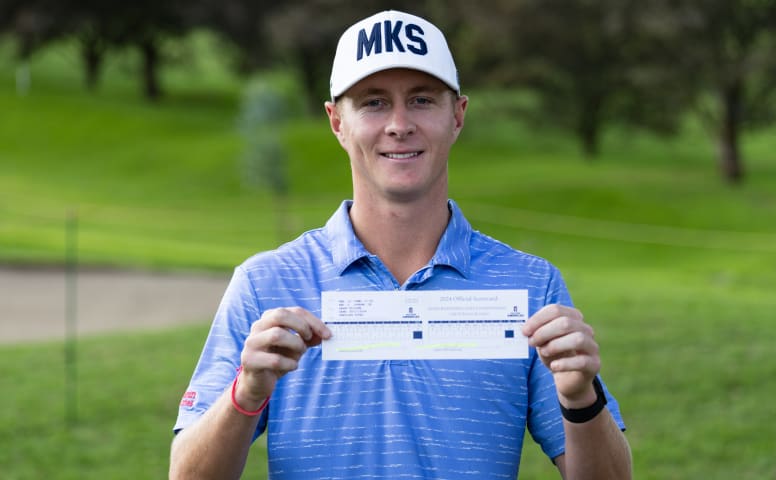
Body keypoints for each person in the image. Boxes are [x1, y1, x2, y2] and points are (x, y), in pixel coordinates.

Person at [169, 9, 632, 480]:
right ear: (336, 122)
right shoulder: (266, 284)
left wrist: (580, 398)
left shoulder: (531, 286)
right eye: (373, 102)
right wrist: (245, 394)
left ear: (457, 116)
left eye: (422, 100)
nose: (398, 124)